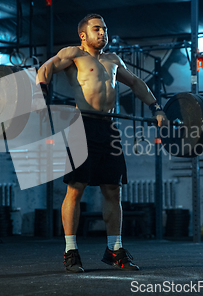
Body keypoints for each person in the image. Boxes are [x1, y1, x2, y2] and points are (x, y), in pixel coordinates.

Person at [36, 14, 168, 273]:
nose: (103, 33)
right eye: (97, 29)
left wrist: (156, 108)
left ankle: (115, 249)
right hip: (81, 125)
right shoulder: (74, 54)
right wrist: (42, 93)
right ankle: (71, 251)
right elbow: (45, 69)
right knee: (76, 188)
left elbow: (136, 83)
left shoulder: (114, 60)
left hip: (108, 127)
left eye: (105, 29)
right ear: (83, 34)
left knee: (113, 189)